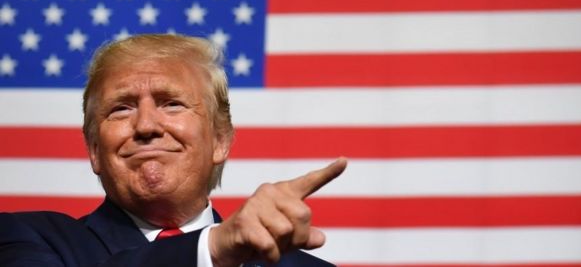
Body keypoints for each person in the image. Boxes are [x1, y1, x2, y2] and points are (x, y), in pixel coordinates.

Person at [0, 34, 347, 266]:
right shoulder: (26, 240)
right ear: (94, 150)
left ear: (220, 140)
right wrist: (211, 249)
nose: (147, 126)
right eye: (121, 108)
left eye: (172, 104)